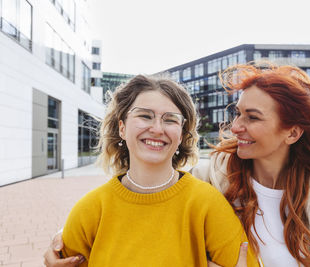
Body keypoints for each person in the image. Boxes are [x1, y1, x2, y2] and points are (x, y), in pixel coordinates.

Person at [45, 62, 310, 266]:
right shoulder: (212, 178)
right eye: (237, 113)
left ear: (292, 132)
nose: (236, 127)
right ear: (122, 127)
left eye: (252, 117)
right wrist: (65, 241)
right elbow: (146, 202)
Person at [47, 74, 258, 267]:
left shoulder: (208, 204)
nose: (157, 129)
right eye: (145, 116)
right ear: (122, 127)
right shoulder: (90, 210)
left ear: (182, 134)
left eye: (170, 119)